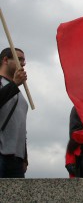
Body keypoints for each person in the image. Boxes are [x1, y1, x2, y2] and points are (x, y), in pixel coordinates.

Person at [0, 47, 29, 178]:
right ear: (5, 60)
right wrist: (14, 84)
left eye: (24, 60)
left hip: (16, 158)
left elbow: (21, 126)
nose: (23, 63)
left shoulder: (19, 94)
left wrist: (24, 157)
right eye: (19, 59)